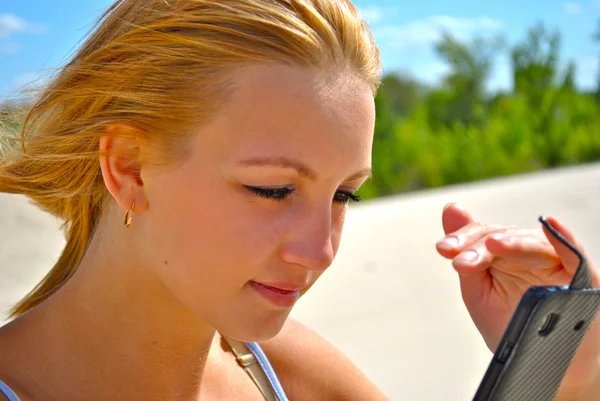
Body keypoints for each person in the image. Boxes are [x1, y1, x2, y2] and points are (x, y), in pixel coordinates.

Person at [0, 0, 598, 400]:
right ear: (129, 168)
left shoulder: (283, 370)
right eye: (274, 189)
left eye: (343, 195)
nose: (321, 251)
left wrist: (566, 377)